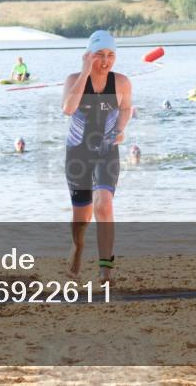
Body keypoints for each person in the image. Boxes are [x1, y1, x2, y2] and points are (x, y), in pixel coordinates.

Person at [62, 30, 132, 285]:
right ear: (89, 55)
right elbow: (68, 109)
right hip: (77, 153)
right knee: (82, 216)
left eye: (111, 55)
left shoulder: (122, 82)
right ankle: (78, 248)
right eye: (99, 55)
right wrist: (84, 72)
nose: (105, 61)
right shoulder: (74, 79)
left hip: (106, 151)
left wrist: (121, 129)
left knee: (104, 203)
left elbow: (125, 108)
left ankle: (106, 268)